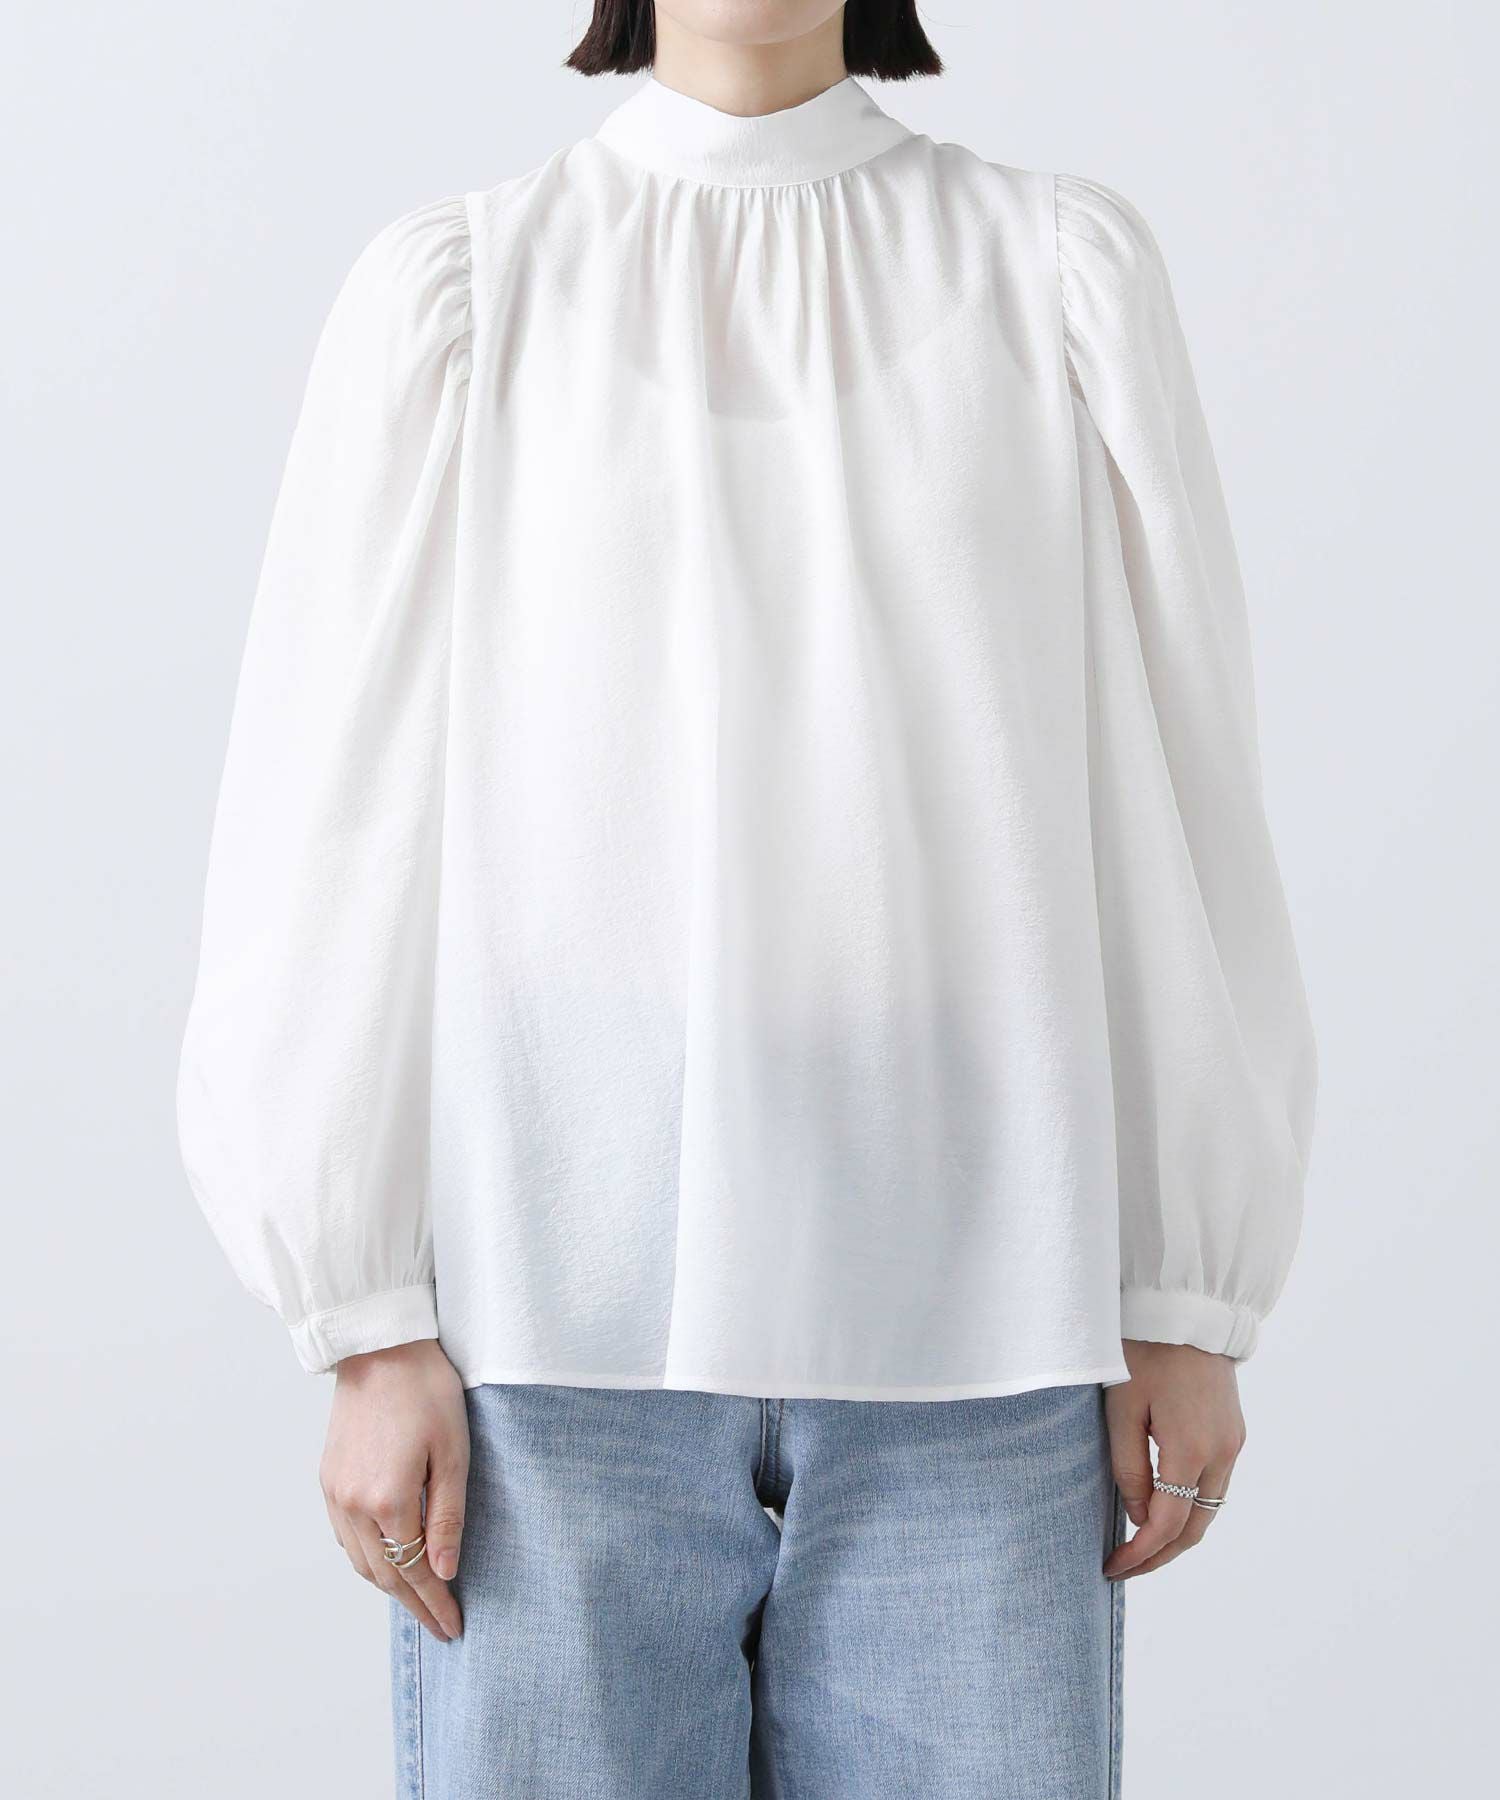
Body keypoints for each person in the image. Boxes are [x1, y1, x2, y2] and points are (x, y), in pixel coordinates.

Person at [177, 3, 1317, 1794]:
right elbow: (335, 814)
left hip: (983, 1343)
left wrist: (1189, 1279)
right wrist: (363, 1320)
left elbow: (1169, 784)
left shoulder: (1054, 275)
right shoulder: (467, 294)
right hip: (550, 1362)